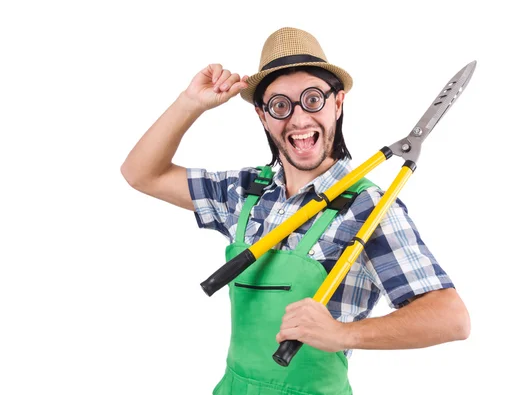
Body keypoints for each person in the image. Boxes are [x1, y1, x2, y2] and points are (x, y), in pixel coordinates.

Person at [121, 27, 470, 395]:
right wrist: (189, 103)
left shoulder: (370, 208)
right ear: (263, 116)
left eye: (313, 99)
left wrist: (341, 334)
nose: (299, 119)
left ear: (338, 103)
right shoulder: (245, 192)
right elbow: (142, 173)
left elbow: (451, 317)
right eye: (281, 105)